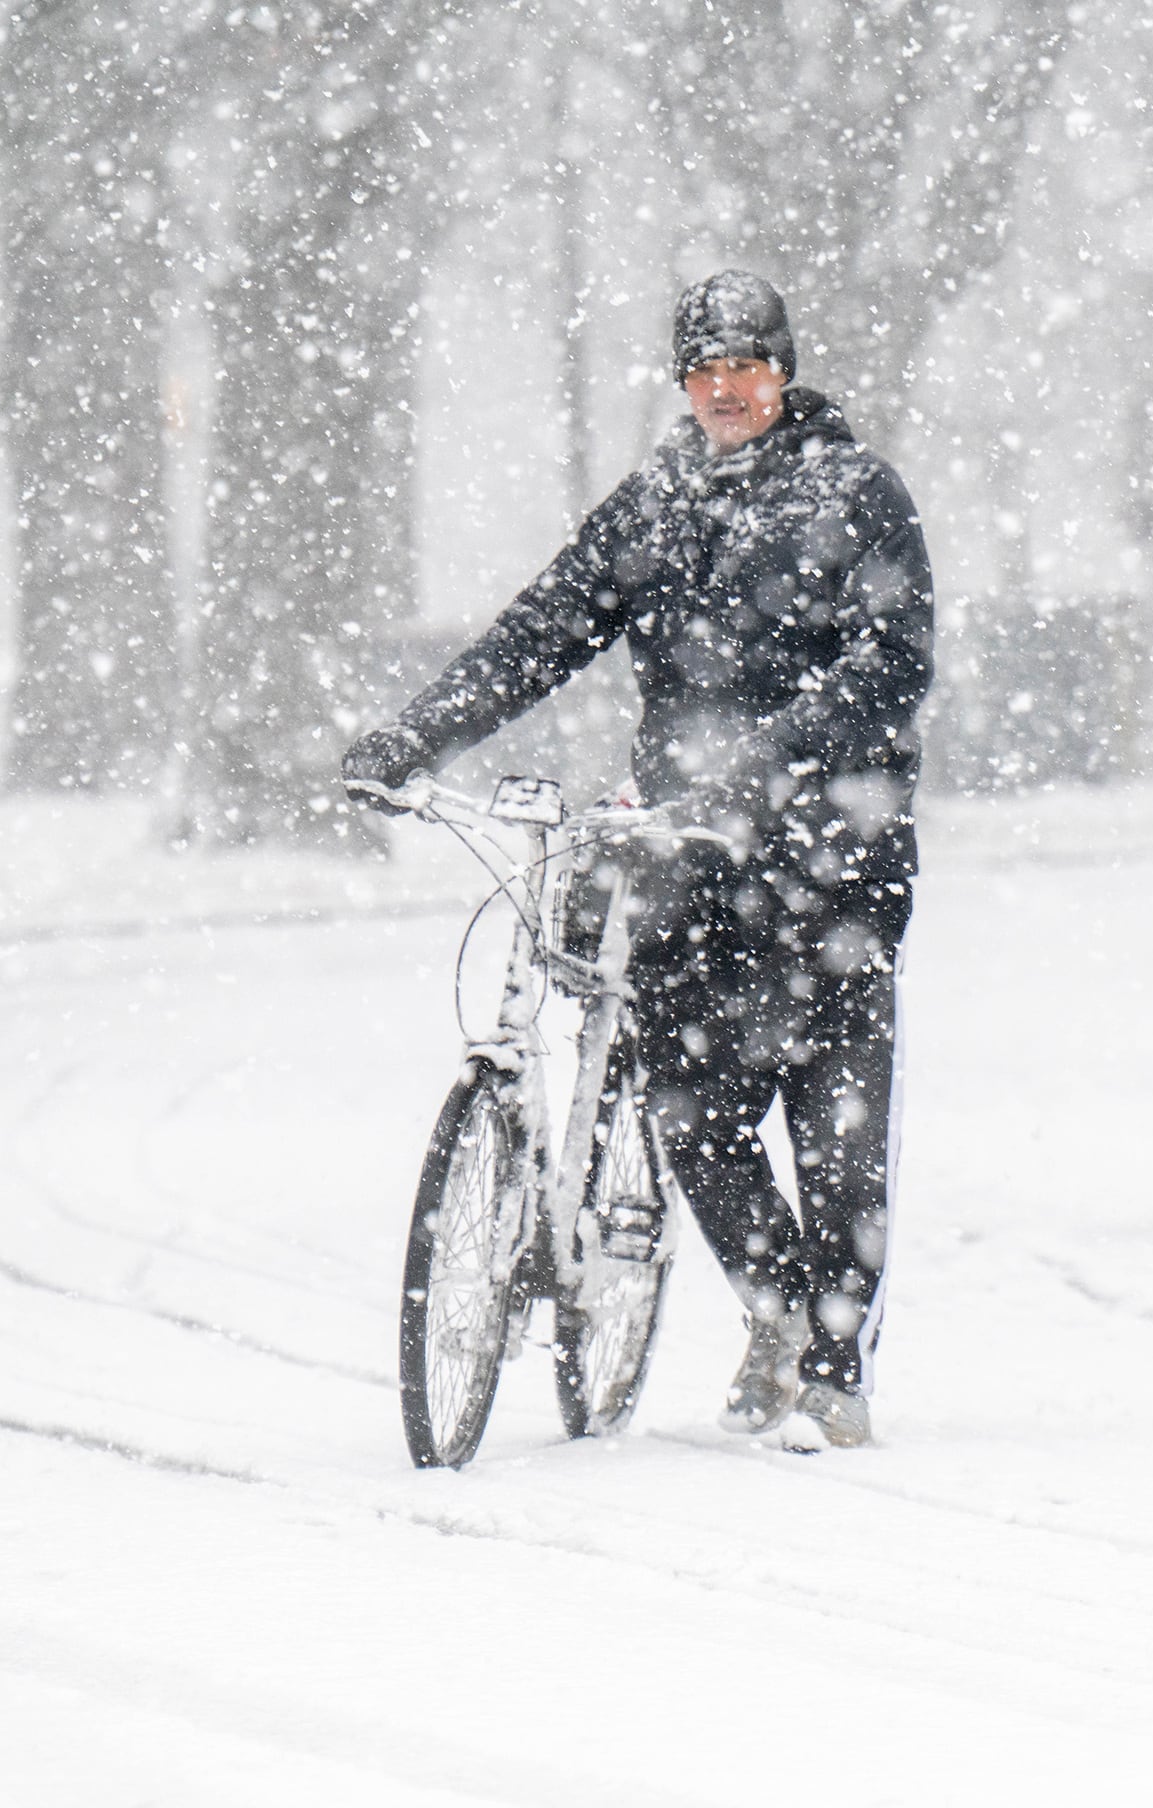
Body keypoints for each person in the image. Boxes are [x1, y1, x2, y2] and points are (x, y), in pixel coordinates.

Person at [341, 270, 931, 1452]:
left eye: (748, 367)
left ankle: (832, 1363)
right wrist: (418, 731)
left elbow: (890, 665)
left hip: (830, 867)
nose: (726, 389)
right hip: (687, 860)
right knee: (693, 1110)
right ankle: (774, 1307)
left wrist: (765, 763)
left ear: (785, 371)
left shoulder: (857, 494)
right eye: (705, 370)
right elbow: (541, 630)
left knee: (835, 1126)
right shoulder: (657, 505)